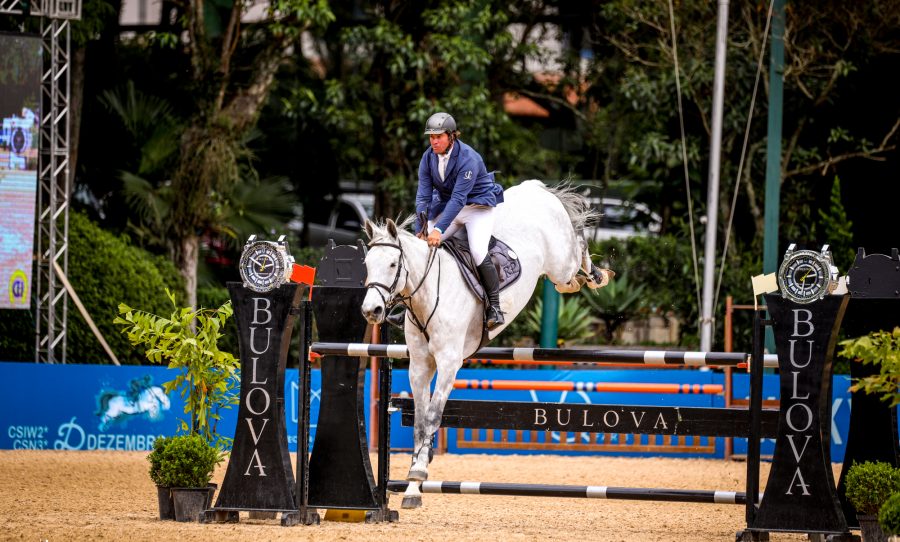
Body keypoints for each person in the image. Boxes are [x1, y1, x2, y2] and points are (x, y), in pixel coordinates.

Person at [389, 112, 506, 330]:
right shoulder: (428, 157)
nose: (434, 141)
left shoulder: (468, 159)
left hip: (477, 208)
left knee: (478, 252)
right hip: (449, 207)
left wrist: (439, 229)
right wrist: (421, 228)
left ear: (451, 136)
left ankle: (495, 307)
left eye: (438, 136)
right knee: (422, 248)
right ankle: (407, 308)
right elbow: (423, 195)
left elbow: (459, 199)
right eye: (431, 137)